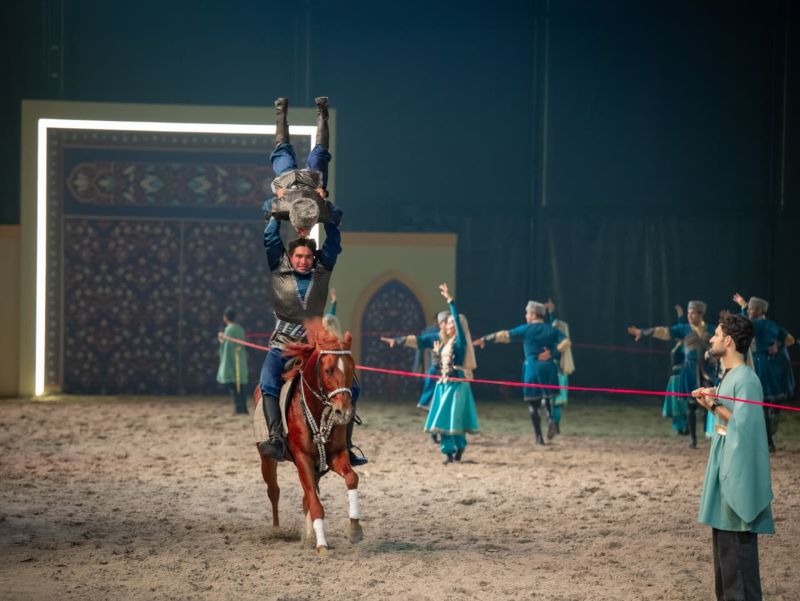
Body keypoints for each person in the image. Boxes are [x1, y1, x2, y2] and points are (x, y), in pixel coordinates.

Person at [257, 96, 366, 466]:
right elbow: (270, 238)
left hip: (315, 345)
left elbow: (333, 239)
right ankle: (275, 437)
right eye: (299, 256)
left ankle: (346, 443)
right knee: (268, 382)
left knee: (351, 384)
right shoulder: (279, 266)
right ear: (291, 257)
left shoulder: (322, 268)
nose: (303, 260)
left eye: (307, 256)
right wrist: (278, 208)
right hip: (283, 344)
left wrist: (326, 206)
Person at [693, 313, 774, 601]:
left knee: (737, 552)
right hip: (724, 466)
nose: (712, 339)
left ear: (728, 340)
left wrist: (714, 404)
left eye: (716, 334)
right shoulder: (730, 376)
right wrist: (710, 402)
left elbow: (746, 427)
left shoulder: (746, 379)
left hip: (736, 473)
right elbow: (729, 418)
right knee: (725, 555)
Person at [474, 300, 571, 445]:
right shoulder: (551, 330)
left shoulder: (527, 329)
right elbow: (566, 342)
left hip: (533, 368)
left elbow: (504, 335)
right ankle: (550, 418)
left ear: (534, 314)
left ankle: (539, 438)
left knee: (533, 404)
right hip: (549, 368)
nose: (526, 316)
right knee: (546, 396)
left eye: (527, 313)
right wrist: (552, 352)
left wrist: (485, 339)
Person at [628, 300, 714, 449]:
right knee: (691, 405)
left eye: (692, 313)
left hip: (707, 370)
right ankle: (693, 440)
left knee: (711, 403)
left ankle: (710, 434)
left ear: (700, 314)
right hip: (690, 370)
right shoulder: (684, 329)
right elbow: (664, 331)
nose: (689, 316)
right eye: (688, 313)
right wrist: (643, 332)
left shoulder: (711, 329)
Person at [263, 96, 335, 236]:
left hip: (287, 180)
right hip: (312, 181)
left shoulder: (281, 211)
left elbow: (267, 207)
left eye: (300, 232)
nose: (302, 232)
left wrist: (277, 193)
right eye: (305, 232)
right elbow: (335, 215)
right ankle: (322, 113)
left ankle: (280, 111)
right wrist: (324, 195)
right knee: (319, 154)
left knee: (282, 149)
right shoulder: (321, 214)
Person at [424, 283, 480, 464]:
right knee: (443, 418)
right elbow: (445, 362)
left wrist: (451, 301)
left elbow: (457, 321)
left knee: (455, 419)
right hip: (444, 383)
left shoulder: (460, 342)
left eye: (450, 323)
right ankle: (448, 453)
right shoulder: (447, 343)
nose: (447, 325)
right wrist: (438, 352)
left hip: (457, 384)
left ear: (456, 326)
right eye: (447, 323)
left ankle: (460, 448)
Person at [733, 293, 795, 452]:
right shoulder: (773, 325)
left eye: (752, 309)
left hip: (760, 366)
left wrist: (742, 305)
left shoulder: (758, 324)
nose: (749, 311)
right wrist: (778, 346)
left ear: (760, 311)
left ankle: (768, 442)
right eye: (749, 308)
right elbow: (790, 339)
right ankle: (768, 438)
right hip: (772, 365)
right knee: (766, 403)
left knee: (762, 404)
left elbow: (744, 325)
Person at [381, 311, 450, 443]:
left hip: (450, 376)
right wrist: (397, 341)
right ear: (440, 324)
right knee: (433, 405)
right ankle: (433, 432)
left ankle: (445, 433)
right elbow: (417, 340)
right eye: (446, 322)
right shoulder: (434, 337)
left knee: (447, 406)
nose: (449, 325)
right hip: (436, 375)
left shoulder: (455, 338)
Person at [217, 307, 249, 415]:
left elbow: (228, 348)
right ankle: (243, 408)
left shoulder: (229, 329)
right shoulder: (240, 329)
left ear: (225, 317)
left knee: (235, 387)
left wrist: (222, 339)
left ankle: (239, 408)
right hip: (240, 360)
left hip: (233, 361)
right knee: (241, 387)